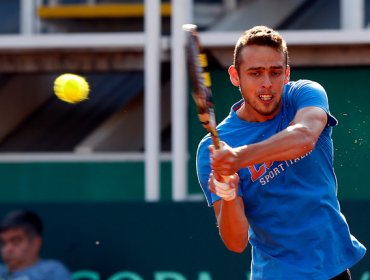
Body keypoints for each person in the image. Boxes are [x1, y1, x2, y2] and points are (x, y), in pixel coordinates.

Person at [196, 26, 366, 279]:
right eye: (255, 73)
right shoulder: (210, 150)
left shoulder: (304, 94)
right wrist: (228, 192)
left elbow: (304, 137)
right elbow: (236, 242)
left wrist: (238, 158)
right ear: (235, 76)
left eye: (275, 72)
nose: (266, 83)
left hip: (335, 270)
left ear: (286, 73)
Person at [0, 210, 72, 280]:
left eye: (16, 241)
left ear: (36, 243)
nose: (7, 249)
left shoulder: (52, 271)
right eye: (3, 243)